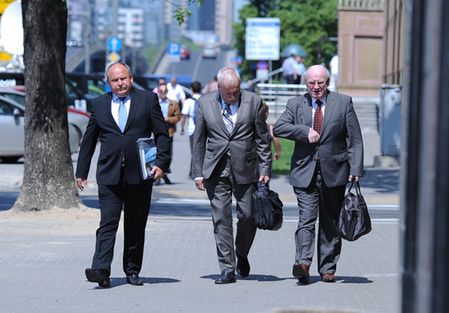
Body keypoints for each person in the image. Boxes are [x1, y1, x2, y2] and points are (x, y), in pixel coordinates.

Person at [75, 62, 170, 288]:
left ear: (131, 77)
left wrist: (162, 163)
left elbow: (162, 134)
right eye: (115, 80)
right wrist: (81, 172)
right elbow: (88, 141)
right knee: (108, 222)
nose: (120, 83)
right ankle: (101, 269)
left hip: (141, 174)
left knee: (135, 225)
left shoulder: (148, 100)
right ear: (108, 84)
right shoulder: (99, 104)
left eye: (123, 79)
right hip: (109, 175)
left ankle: (132, 270)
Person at [273, 64, 364, 284]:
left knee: (330, 221)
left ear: (327, 82)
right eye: (311, 83)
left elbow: (355, 139)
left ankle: (327, 268)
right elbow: (279, 128)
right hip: (305, 171)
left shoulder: (343, 103)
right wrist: (304, 132)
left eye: (320, 83)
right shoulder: (295, 104)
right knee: (306, 219)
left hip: (335, 170)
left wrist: (356, 168)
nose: (316, 87)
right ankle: (303, 264)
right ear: (306, 83)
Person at [192, 67, 272, 284]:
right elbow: (198, 140)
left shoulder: (253, 101)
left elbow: (262, 140)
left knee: (248, 216)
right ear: (219, 88)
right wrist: (197, 172)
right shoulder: (205, 103)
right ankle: (227, 267)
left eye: (236, 90)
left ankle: (242, 252)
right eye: (228, 92)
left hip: (246, 168)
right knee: (221, 218)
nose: (233, 95)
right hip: (215, 169)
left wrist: (265, 170)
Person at [157, 84, 181, 184]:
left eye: (165, 91)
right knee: (156, 155)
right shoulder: (154, 103)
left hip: (168, 132)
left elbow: (178, 117)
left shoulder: (173, 103)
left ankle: (165, 173)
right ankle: (158, 176)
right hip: (156, 132)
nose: (163, 93)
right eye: (161, 91)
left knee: (168, 155)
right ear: (158, 92)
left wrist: (169, 119)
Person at [180, 81, 202, 178]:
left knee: (193, 151)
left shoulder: (188, 101)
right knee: (202, 151)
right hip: (202, 129)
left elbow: (184, 116)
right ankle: (200, 171)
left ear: (192, 89)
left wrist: (182, 128)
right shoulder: (204, 99)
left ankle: (193, 172)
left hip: (192, 130)